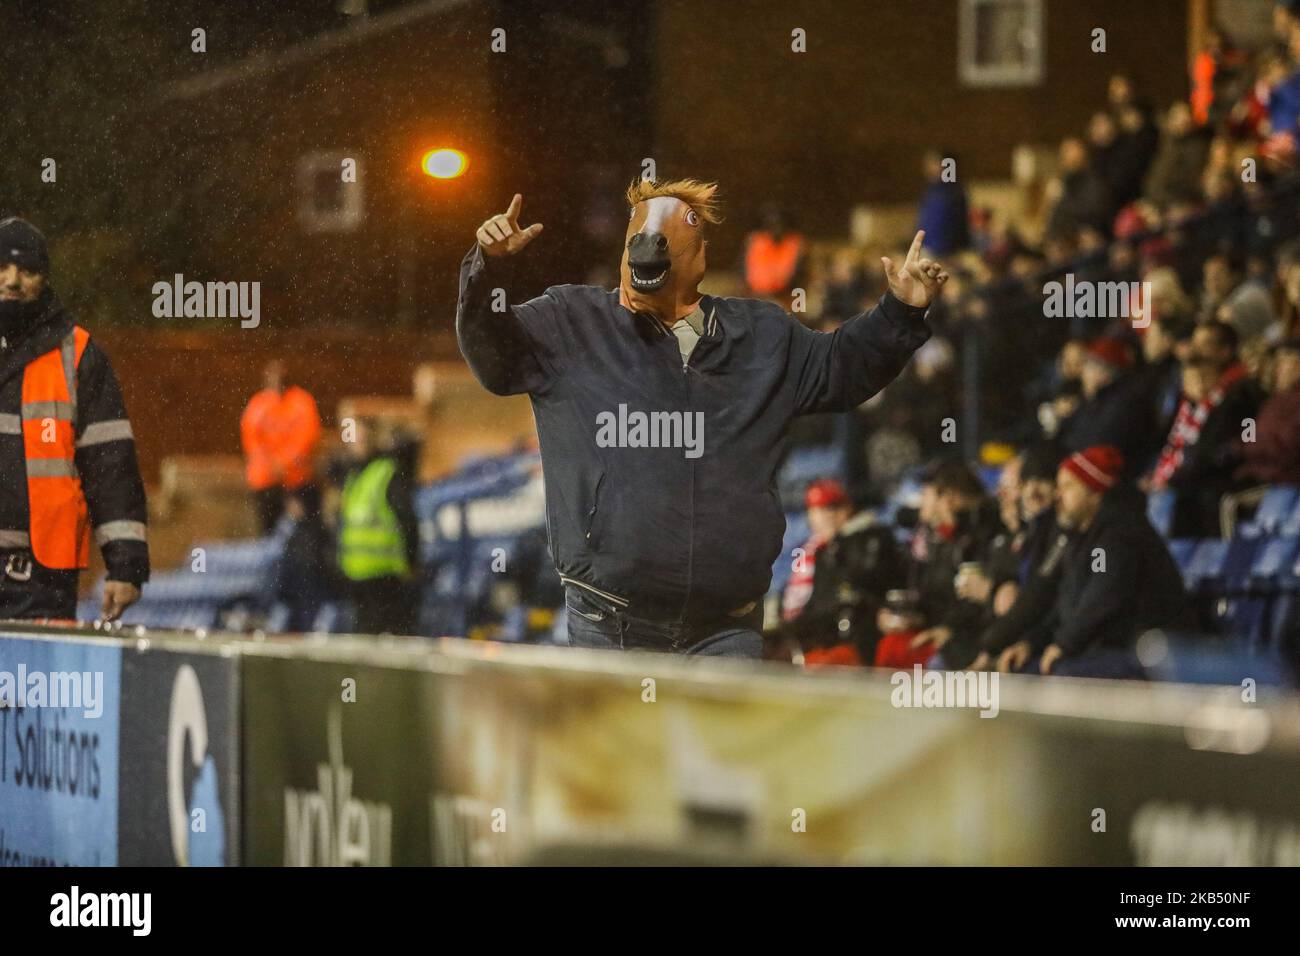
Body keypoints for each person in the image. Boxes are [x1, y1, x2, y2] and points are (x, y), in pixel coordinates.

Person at [456, 183, 948, 657]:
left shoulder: (760, 334)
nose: (648, 257)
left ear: (700, 257)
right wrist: (487, 270)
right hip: (610, 621)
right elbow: (495, 360)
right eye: (639, 245)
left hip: (725, 627)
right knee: (626, 747)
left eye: (664, 246)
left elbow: (840, 368)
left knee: (720, 747)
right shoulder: (571, 321)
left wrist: (899, 312)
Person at [0, 217, 148, 620]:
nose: (13, 281)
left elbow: (110, 464)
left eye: (27, 270)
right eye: (3, 268)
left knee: (36, 684)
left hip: (39, 581)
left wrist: (126, 566)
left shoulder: (78, 355)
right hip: (40, 577)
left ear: (45, 279)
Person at [997, 446, 1191, 679]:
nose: (1058, 495)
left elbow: (1102, 600)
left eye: (1068, 486)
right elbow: (1066, 604)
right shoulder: (1082, 536)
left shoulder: (1118, 534)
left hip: (1143, 651)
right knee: (1021, 668)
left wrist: (1063, 645)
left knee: (1061, 674)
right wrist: (1031, 643)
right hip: (1103, 647)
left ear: (1095, 492)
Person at [1151, 321, 1264, 536]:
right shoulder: (1194, 402)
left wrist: (1238, 450)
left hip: (1228, 480)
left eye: (1206, 344)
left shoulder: (1241, 394)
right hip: (1198, 479)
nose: (1197, 350)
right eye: (1196, 343)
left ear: (1225, 351)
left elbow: (1247, 439)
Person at [781, 478, 906, 664]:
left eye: (830, 509)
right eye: (816, 511)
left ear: (846, 509)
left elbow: (863, 588)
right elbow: (816, 600)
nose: (823, 518)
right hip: (822, 638)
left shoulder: (873, 538)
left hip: (859, 638)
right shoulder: (820, 549)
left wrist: (839, 547)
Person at [336, 417, 420, 635]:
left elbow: (408, 520)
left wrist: (411, 561)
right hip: (357, 577)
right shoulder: (354, 476)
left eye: (362, 439)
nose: (357, 445)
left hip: (385, 577)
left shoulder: (386, 473)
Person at [240, 359, 322, 534]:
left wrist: (284, 464)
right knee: (268, 533)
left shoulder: (301, 402)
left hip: (296, 481)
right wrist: (271, 465)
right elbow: (252, 442)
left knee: (303, 531)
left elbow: (307, 439)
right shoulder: (258, 405)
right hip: (266, 482)